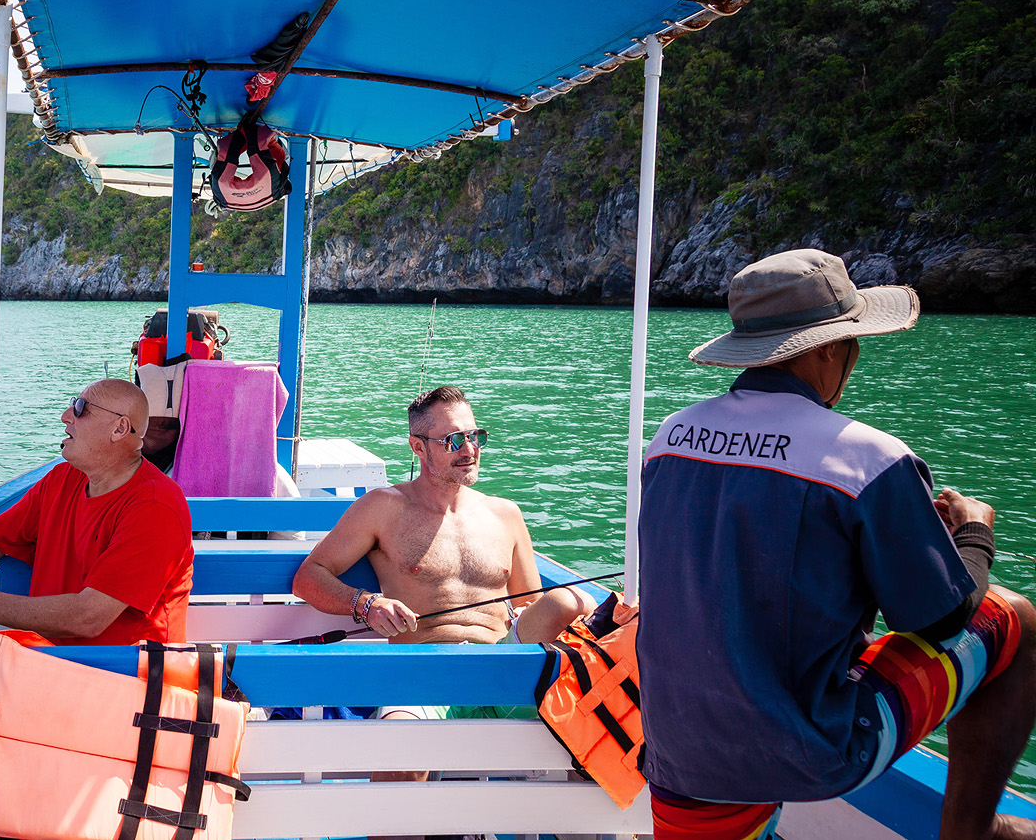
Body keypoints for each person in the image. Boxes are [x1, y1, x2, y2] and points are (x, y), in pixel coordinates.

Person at [637, 248, 1036, 840]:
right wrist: (974, 531)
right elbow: (944, 618)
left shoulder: (669, 438)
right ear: (827, 347)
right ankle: (970, 832)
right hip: (809, 750)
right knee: (1016, 619)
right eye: (854, 342)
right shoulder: (868, 457)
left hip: (678, 750)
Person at [0, 378, 195, 726]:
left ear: (119, 428)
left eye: (80, 408)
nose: (66, 416)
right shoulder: (62, 481)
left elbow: (90, 617)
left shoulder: (156, 507)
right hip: (49, 664)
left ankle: (3, 763)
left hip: (126, 685)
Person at [292, 383, 596, 686]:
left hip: (505, 664)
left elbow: (529, 607)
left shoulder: (505, 514)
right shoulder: (382, 508)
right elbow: (308, 578)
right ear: (418, 447)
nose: (469, 450)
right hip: (424, 668)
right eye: (453, 440)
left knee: (569, 601)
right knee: (398, 720)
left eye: (475, 437)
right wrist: (367, 604)